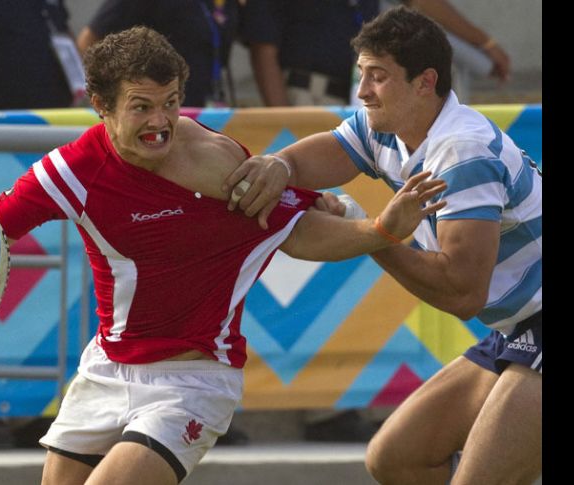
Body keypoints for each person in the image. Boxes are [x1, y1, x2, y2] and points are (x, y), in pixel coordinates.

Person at [0, 26, 445, 485]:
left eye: (171, 103)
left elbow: (300, 234)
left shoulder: (216, 162)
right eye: (141, 107)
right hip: (105, 370)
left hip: (192, 380)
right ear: (101, 107)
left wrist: (381, 229)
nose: (161, 123)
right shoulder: (73, 171)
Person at [223, 7, 541, 484]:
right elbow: (325, 152)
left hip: (534, 322)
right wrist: (279, 166)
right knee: (394, 459)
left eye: (378, 76)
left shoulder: (462, 151)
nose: (363, 91)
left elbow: (462, 294)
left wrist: (374, 235)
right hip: (520, 327)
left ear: (425, 82)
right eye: (362, 74)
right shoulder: (388, 125)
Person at [241, 0, 510, 107]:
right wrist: (282, 119)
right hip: (309, 96)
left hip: (366, 95)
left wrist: (485, 43)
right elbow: (263, 49)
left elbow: (420, 2)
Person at [76, 0, 242, 107]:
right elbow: (88, 41)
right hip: (155, 111)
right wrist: (114, 97)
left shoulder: (224, 4)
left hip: (206, 106)